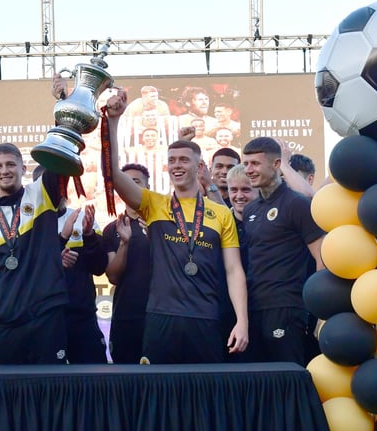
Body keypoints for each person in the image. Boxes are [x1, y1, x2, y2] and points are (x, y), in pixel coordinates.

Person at [103, 89, 248, 363]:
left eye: (184, 160)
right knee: (159, 397)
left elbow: (233, 270)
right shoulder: (153, 205)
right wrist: (113, 120)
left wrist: (242, 321)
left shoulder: (220, 213)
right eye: (171, 161)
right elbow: (112, 174)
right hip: (161, 318)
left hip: (205, 317)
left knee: (204, 397)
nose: (176, 166)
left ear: (199, 166)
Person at [0, 143, 69, 364]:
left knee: (50, 392)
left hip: (46, 318)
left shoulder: (42, 194)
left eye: (11, 164)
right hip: (5, 321)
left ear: (23, 169)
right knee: (5, 394)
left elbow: (62, 155)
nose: (5, 170)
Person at [242, 136, 325, 366]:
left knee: (287, 376)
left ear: (276, 165)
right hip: (254, 307)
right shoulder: (251, 208)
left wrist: (322, 311)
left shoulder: (296, 204)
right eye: (246, 163)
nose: (249, 169)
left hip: (287, 307)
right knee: (258, 382)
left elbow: (322, 259)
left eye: (255, 163)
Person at [102, 163, 152, 363]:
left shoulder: (164, 223)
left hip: (160, 315)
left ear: (147, 187)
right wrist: (124, 242)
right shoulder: (111, 229)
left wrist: (155, 238)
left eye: (137, 182)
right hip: (126, 315)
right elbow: (113, 276)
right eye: (126, 182)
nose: (130, 186)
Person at [57, 201, 109, 363]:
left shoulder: (82, 219)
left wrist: (89, 236)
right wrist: (56, 260)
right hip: (45, 319)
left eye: (59, 186)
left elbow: (99, 267)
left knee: (94, 382)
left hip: (82, 317)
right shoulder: (26, 222)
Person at [226, 164, 257, 273]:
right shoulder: (222, 223)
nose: (239, 196)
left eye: (245, 190)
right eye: (234, 190)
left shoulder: (268, 223)